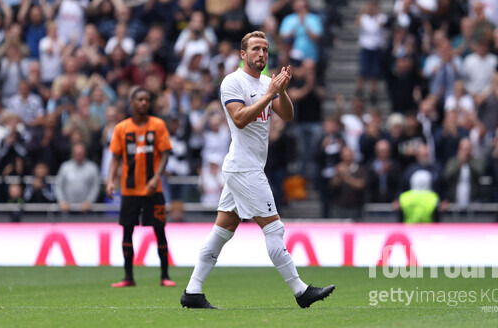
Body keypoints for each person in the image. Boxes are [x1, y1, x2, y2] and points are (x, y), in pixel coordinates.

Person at [181, 31, 334, 309]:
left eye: (264, 49)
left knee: (222, 232)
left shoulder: (266, 82)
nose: (261, 54)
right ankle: (301, 291)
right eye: (255, 49)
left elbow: (287, 115)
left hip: (245, 167)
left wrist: (282, 91)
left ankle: (192, 291)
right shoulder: (232, 82)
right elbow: (239, 118)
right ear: (243, 54)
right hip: (245, 170)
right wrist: (269, 94)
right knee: (275, 228)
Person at [106, 87, 176, 288]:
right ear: (132, 103)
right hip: (129, 190)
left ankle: (165, 275)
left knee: (159, 230)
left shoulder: (158, 125)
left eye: (147, 99)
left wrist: (156, 178)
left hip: (154, 190)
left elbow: (164, 154)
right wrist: (111, 181)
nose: (144, 103)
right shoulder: (121, 128)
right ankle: (128, 277)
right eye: (140, 99)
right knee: (127, 232)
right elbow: (115, 158)